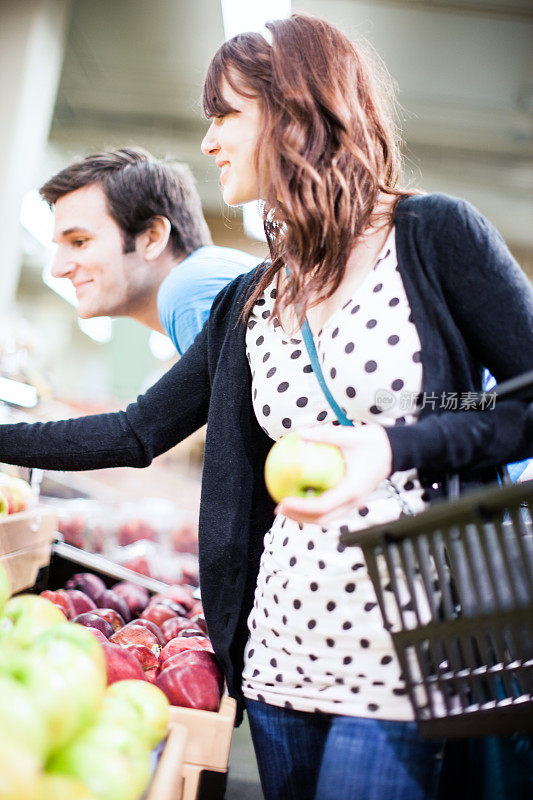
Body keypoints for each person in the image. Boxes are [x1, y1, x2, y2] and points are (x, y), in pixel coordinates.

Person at [1, 14, 532, 800]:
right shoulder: (252, 297)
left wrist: (391, 448)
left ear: (294, 111)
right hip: (279, 647)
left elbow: (514, 402)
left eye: (226, 116)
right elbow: (136, 430)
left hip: (404, 646)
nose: (208, 140)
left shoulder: (431, 236)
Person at [40, 147, 259, 355]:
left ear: (152, 237)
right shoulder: (207, 278)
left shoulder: (191, 287)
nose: (57, 270)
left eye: (79, 242)